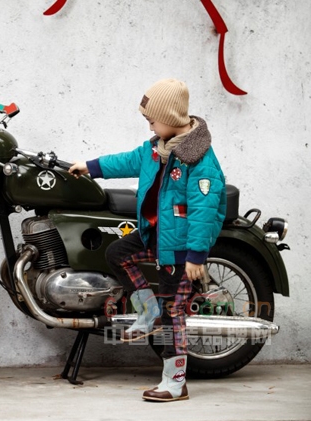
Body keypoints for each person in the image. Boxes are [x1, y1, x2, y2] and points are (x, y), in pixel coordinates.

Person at [69, 78, 226, 402]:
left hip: (180, 249)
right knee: (117, 254)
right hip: (156, 236)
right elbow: (126, 161)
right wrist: (90, 167)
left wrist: (196, 255)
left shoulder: (199, 159)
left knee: (173, 314)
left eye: (152, 119)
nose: (149, 125)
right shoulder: (156, 148)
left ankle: (175, 381)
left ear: (170, 116)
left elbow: (204, 211)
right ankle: (147, 309)